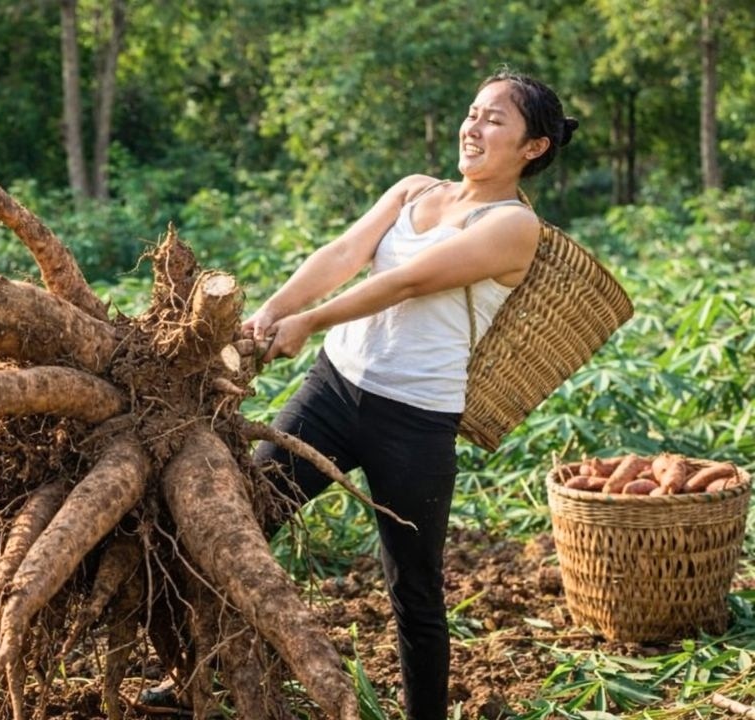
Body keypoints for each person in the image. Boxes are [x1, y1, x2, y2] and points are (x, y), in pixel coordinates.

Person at [242, 70, 577, 719]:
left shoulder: (512, 227)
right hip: (333, 391)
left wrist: (309, 321)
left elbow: (409, 283)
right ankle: (204, 665)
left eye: (494, 120)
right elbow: (344, 252)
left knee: (414, 591)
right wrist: (273, 309)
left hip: (416, 421)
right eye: (472, 112)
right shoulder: (413, 190)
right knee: (245, 525)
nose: (472, 128)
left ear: (532, 147)